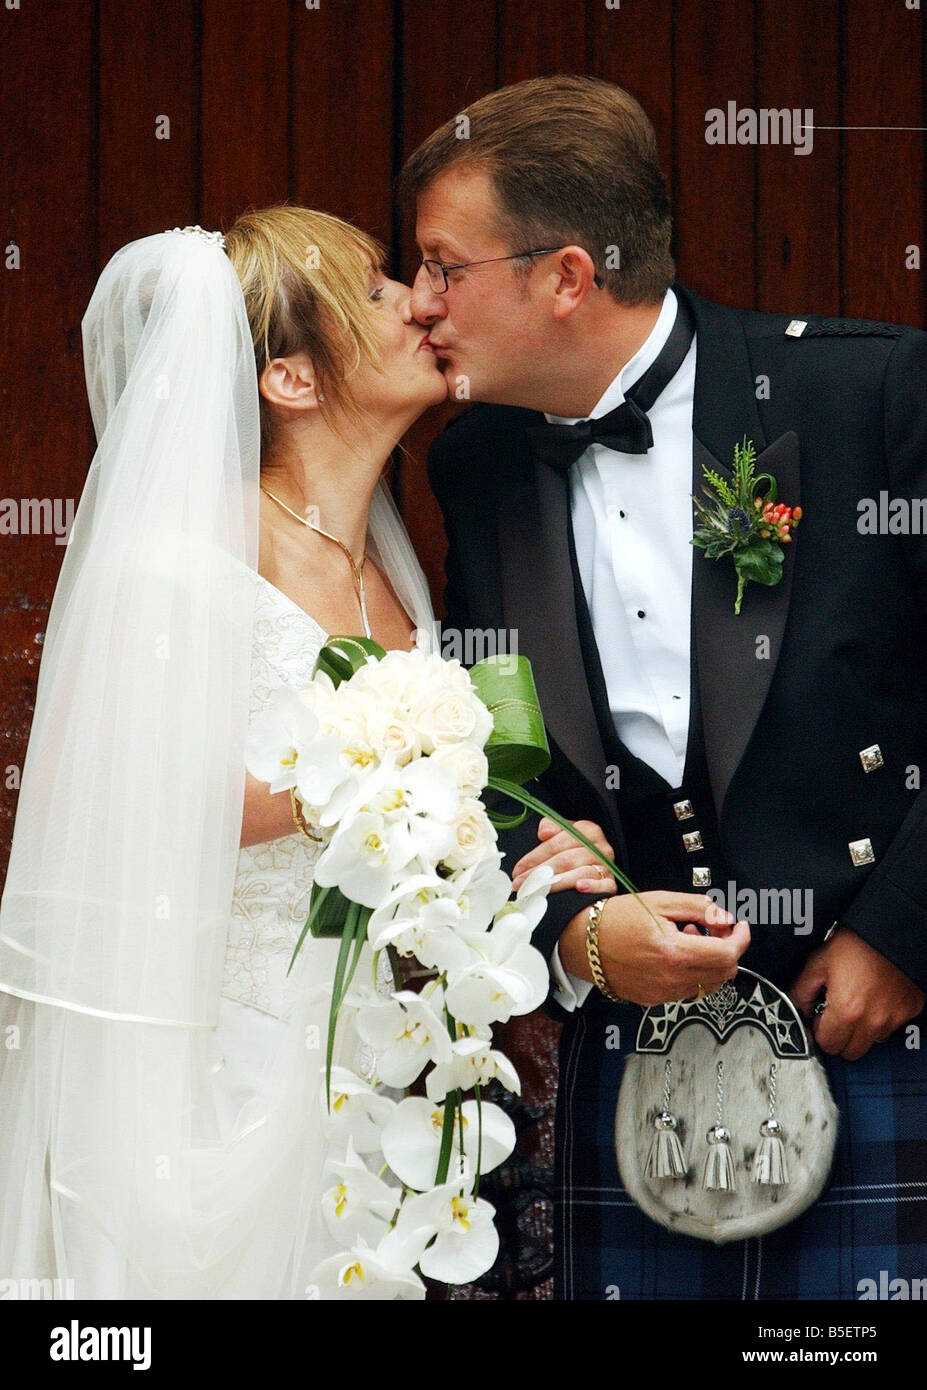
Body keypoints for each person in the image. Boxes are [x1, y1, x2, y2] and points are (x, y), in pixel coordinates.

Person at [0, 204, 613, 1298]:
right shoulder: (179, 561)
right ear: (289, 380)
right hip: (217, 1059)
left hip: (370, 1054)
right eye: (379, 293)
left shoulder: (390, 557)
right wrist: (367, 777)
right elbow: (129, 804)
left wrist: (517, 871)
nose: (419, 304)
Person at [401, 73, 927, 1300]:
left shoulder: (871, 394)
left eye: (443, 264)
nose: (420, 304)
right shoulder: (476, 461)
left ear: (566, 276)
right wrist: (577, 933)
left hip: (876, 1021)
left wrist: (906, 933)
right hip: (633, 1044)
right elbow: (482, 753)